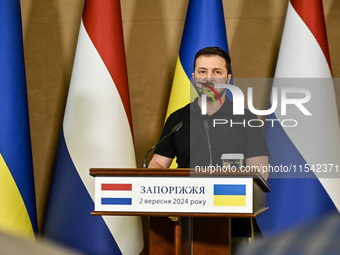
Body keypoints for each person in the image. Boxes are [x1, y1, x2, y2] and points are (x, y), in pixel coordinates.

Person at [148, 46, 269, 180]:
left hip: (231, 198)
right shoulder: (177, 119)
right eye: (202, 72)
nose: (208, 78)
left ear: (228, 79)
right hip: (187, 197)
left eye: (217, 72)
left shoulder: (247, 119)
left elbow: (260, 171)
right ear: (194, 77)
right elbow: (158, 163)